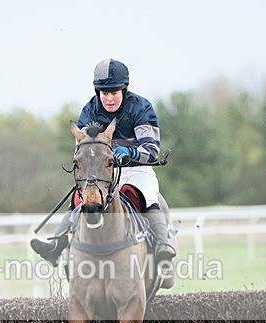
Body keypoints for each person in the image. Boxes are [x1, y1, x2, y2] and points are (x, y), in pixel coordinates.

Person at [30, 59, 176, 266]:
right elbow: (80, 149)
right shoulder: (89, 110)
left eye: (114, 93)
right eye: (104, 93)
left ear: (124, 90)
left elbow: (152, 150)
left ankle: (162, 245)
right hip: (102, 173)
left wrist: (130, 152)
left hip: (136, 170)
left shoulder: (141, 108)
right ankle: (57, 246)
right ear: (97, 92)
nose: (108, 99)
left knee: (148, 196)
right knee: (78, 199)